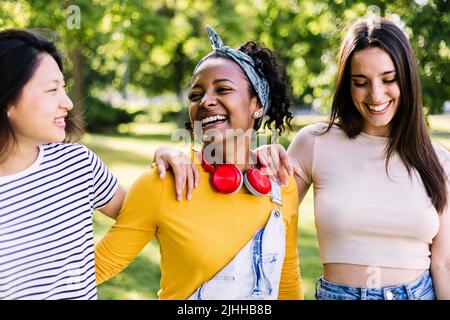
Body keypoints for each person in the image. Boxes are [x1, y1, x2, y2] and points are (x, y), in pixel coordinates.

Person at [155, 18, 450, 300]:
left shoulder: (438, 161)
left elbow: (444, 264)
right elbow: (247, 210)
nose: (375, 95)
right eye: (360, 82)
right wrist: (177, 158)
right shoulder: (315, 143)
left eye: (389, 79)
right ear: (347, 85)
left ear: (408, 80)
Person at [94, 25, 303, 300]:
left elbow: (287, 282)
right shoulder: (164, 182)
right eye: (195, 95)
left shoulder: (281, 183)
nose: (205, 101)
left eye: (223, 89)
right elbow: (93, 269)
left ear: (257, 105)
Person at [0, 29, 126, 300]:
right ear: (7, 100)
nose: (67, 102)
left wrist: (167, 156)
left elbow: (141, 216)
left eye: (64, 87)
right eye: (52, 90)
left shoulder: (77, 164)